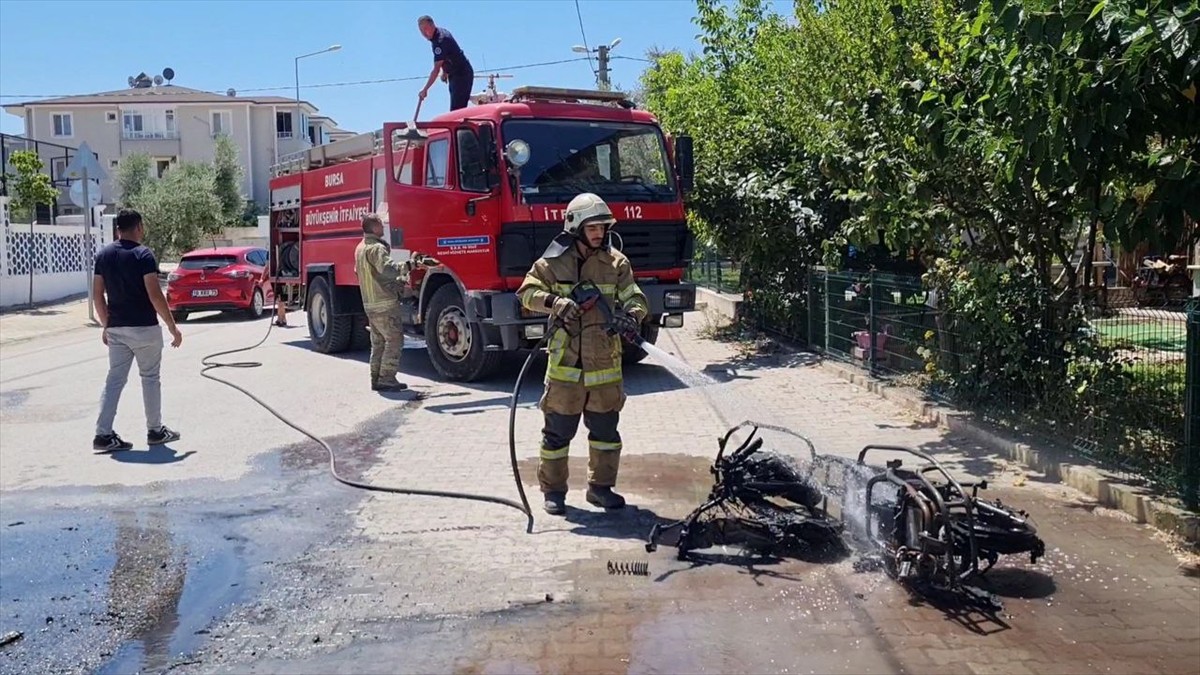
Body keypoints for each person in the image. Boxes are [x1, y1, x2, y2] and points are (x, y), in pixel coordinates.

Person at [516, 193, 649, 515]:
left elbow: (636, 297)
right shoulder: (551, 262)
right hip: (566, 364)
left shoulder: (616, 263)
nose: (599, 233)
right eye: (593, 227)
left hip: (604, 362)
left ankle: (601, 489)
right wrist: (555, 303)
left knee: (606, 434)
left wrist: (631, 316)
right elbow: (526, 293)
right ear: (575, 227)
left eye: (603, 227)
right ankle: (554, 492)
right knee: (557, 434)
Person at [91, 208, 183, 452]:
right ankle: (155, 430)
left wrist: (106, 325)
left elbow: (97, 294)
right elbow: (154, 294)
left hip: (117, 329)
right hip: (144, 329)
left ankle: (103, 434)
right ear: (139, 227)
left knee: (114, 380)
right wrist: (172, 327)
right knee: (150, 377)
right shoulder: (143, 255)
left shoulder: (103, 255)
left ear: (117, 229)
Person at [354, 213, 410, 392]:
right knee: (394, 339)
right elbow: (388, 270)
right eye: (380, 224)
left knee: (378, 343)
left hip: (370, 304)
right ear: (374, 227)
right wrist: (408, 267)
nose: (383, 226)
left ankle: (375, 378)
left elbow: (359, 272)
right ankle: (387, 378)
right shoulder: (377, 248)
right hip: (385, 303)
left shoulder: (360, 248)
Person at [416, 15, 475, 111]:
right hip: (455, 74)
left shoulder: (440, 41)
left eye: (425, 29)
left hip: (461, 75)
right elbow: (447, 55)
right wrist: (445, 71)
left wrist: (425, 90)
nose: (424, 33)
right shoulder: (439, 34)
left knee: (457, 111)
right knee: (456, 110)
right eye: (421, 31)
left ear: (432, 25)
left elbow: (436, 70)